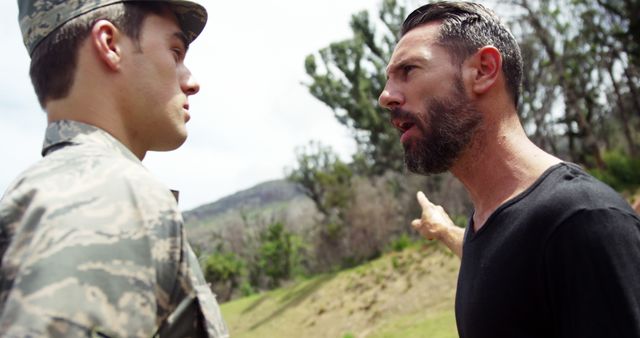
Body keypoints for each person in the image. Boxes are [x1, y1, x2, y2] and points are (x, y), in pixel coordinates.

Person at [379, 2, 640, 337]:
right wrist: (445, 231)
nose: (385, 96)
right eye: (388, 79)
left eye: (409, 70)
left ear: (484, 70)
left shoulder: (582, 219)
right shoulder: (486, 223)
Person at [0, 0, 229, 336]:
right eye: (175, 52)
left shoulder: (55, 191)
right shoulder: (104, 195)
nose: (191, 82)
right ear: (110, 45)